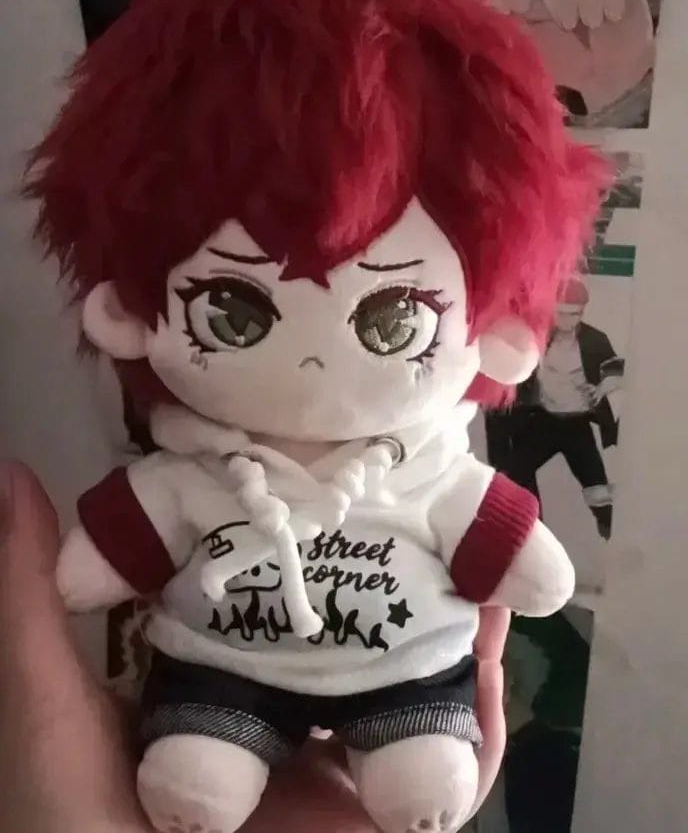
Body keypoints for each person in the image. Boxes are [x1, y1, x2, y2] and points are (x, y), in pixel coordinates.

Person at [0, 461, 510, 833]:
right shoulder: (193, 469)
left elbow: (502, 534)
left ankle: (415, 760)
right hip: (224, 677)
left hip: (402, 677)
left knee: (420, 782)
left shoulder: (431, 463)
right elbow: (132, 528)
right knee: (195, 782)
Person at [486, 278, 623, 540]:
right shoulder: (536, 337)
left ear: (583, 312)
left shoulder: (594, 339)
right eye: (561, 313)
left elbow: (616, 370)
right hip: (544, 421)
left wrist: (600, 389)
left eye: (574, 314)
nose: (566, 320)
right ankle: (532, 534)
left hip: (577, 425)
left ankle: (612, 535)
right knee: (513, 476)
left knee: (598, 493)